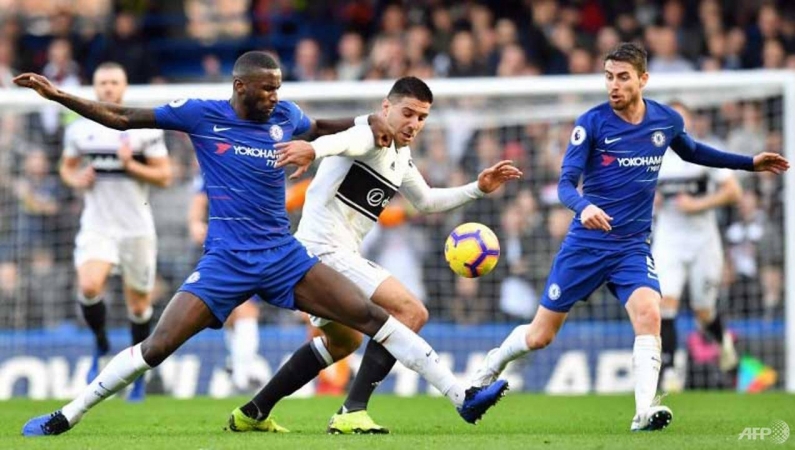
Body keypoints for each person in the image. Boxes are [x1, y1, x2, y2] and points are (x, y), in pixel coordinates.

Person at [15, 51, 509, 437]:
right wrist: (59, 96)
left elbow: (322, 128)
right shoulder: (201, 114)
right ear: (240, 86)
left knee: (372, 319)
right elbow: (123, 117)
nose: (275, 96)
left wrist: (368, 123)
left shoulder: (287, 115)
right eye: (268, 88)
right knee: (157, 346)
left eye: (279, 88)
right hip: (226, 260)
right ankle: (69, 414)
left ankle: (461, 396)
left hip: (284, 257)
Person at [469, 42, 789, 432]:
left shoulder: (665, 120)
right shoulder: (591, 123)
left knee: (650, 312)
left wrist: (749, 163)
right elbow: (566, 183)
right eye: (608, 77)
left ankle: (644, 410)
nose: (614, 85)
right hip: (586, 245)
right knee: (540, 336)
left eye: (622, 77)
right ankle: (489, 367)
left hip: (631, 247)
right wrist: (584, 207)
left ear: (643, 79)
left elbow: (694, 152)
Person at [226, 76, 522, 434]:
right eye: (407, 113)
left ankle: (253, 411)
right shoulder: (370, 135)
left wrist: (478, 188)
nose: (414, 124)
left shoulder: (399, 155)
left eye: (422, 117)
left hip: (320, 255)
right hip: (324, 251)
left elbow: (426, 201)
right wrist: (313, 150)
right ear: (386, 107)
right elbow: (345, 140)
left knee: (343, 342)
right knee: (411, 311)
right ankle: (380, 407)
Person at [60, 62, 172, 402]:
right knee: (89, 286)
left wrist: (130, 165)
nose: (108, 88)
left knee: (138, 307)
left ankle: (137, 373)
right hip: (98, 225)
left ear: (124, 87)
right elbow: (66, 167)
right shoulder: (79, 130)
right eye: (103, 82)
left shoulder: (142, 128)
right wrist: (76, 179)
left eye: (114, 82)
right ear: (95, 87)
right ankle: (101, 342)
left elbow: (165, 176)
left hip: (136, 229)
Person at [653, 101, 743, 392]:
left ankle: (724, 343)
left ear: (688, 122)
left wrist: (698, 204)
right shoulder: (652, 157)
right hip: (669, 239)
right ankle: (669, 371)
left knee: (703, 312)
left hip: (704, 241)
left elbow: (734, 191)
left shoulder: (704, 152)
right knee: (665, 302)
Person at [187, 174, 263, 394]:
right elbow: (199, 199)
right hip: (220, 245)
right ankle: (240, 370)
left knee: (247, 309)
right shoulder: (213, 168)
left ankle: (241, 377)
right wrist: (195, 223)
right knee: (230, 315)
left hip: (250, 244)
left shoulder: (253, 164)